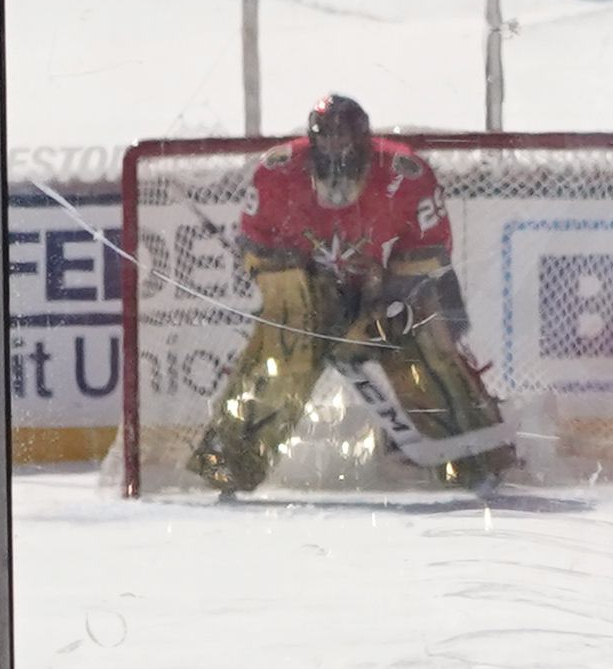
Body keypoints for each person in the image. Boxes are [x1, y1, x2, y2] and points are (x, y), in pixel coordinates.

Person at [192, 95, 515, 495]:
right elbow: (259, 253)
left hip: (388, 294)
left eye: (343, 138)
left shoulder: (404, 175)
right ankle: (230, 462)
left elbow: (428, 254)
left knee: (422, 345)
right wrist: (303, 295)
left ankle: (477, 460)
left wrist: (383, 301)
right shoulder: (278, 174)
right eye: (325, 138)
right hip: (314, 299)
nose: (335, 149)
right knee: (284, 339)